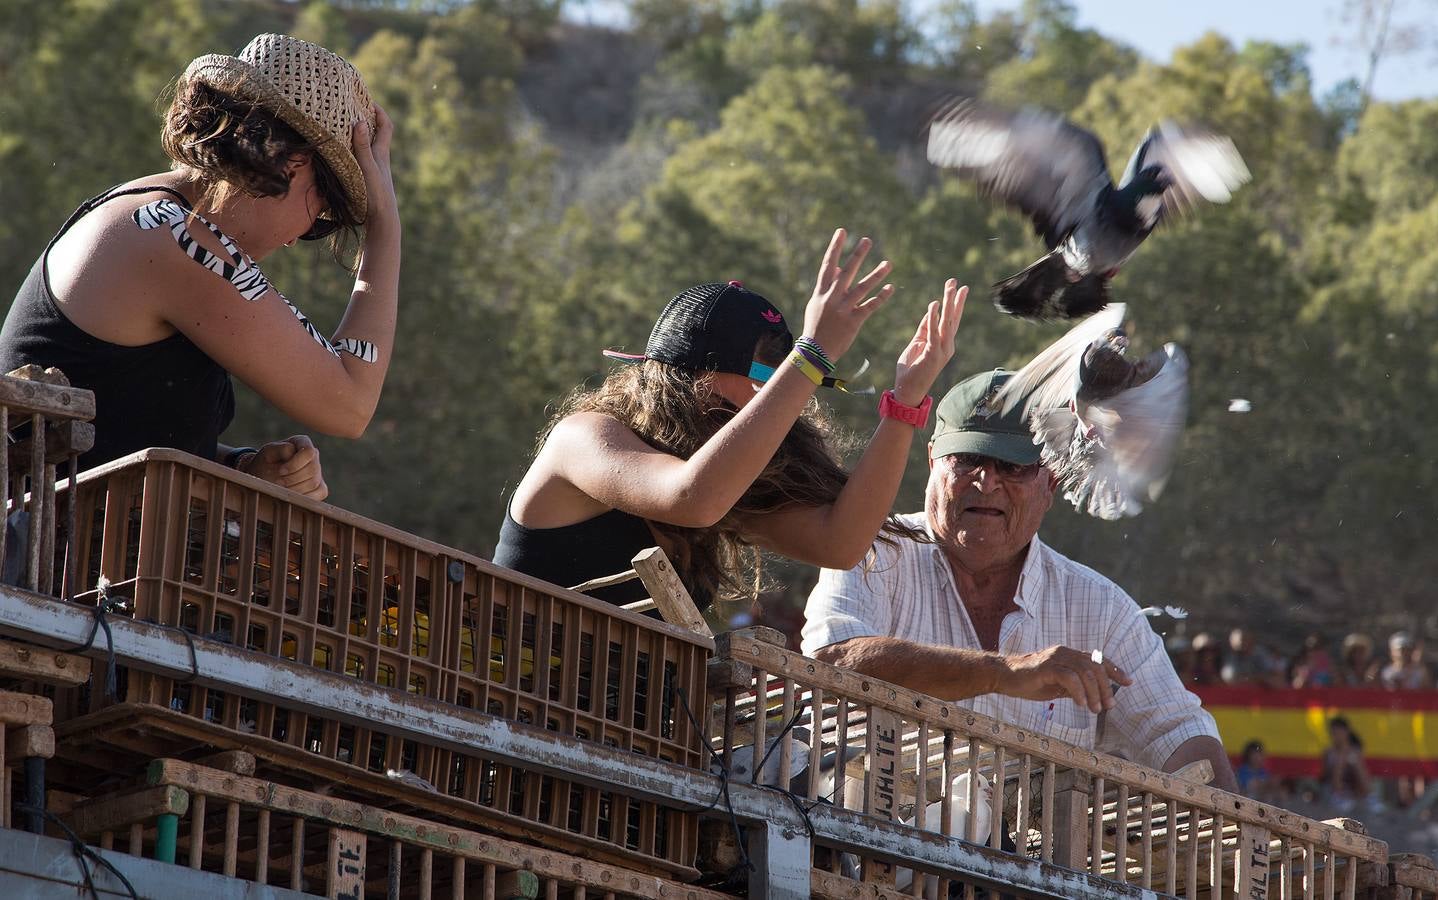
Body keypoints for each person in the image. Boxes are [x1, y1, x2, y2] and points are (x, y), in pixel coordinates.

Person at [0, 34, 400, 499]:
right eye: (321, 210)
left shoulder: (153, 219)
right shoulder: (170, 237)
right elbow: (349, 404)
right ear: (292, 163)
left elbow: (114, 420)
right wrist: (385, 225)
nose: (295, 239)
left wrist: (240, 464)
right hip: (39, 561)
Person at [800, 369, 1238, 792]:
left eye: (1014, 466)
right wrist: (1005, 672)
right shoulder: (873, 550)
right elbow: (831, 661)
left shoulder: (1102, 608)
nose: (987, 483)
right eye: (969, 459)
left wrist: (1238, 840)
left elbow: (1179, 734)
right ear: (933, 460)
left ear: (1052, 479)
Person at [497, 229, 967, 606]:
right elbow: (692, 498)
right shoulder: (582, 437)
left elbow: (840, 543)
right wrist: (810, 357)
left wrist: (906, 401)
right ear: (695, 375)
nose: (777, 395)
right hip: (512, 700)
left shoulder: (723, 478)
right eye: (765, 372)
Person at [1321, 715, 1379, 812]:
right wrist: (1342, 757)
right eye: (1334, 733)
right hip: (1334, 790)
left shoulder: (1355, 751)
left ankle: (1370, 798)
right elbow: (1328, 777)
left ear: (1346, 732)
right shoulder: (1329, 752)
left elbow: (1363, 775)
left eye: (1339, 733)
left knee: (1356, 763)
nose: (1337, 736)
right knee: (1340, 762)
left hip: (1355, 790)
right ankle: (1340, 798)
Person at [1236, 739, 1281, 804]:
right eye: (1254, 754)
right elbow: (1248, 787)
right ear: (1248, 755)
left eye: (1259, 754)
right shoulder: (1241, 771)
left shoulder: (1264, 772)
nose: (1257, 757)